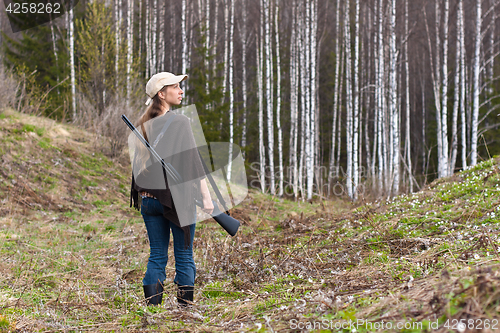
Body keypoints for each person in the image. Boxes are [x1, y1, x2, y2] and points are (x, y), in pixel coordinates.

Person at [130, 72, 214, 307]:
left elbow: (139, 168)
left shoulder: (142, 124)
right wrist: (207, 199)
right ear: (161, 94)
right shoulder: (180, 122)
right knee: (184, 256)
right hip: (177, 201)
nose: (181, 90)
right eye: (175, 87)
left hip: (148, 198)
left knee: (157, 255)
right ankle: (184, 310)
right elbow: (193, 164)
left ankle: (152, 310)